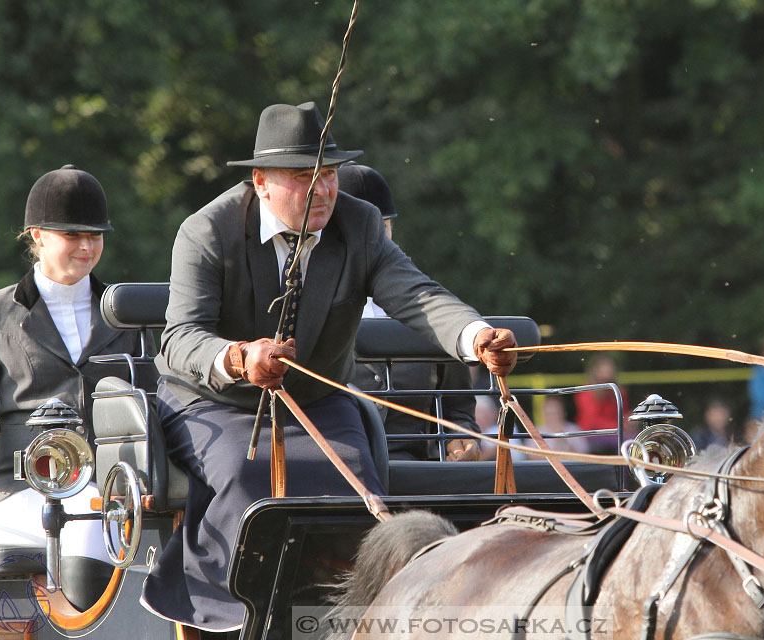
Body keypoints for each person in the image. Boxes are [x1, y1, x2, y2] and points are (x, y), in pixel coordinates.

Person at [141, 102, 518, 632]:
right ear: (261, 182)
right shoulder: (206, 231)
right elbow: (180, 339)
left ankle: (344, 620)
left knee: (355, 489)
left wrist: (476, 337)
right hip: (214, 401)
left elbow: (417, 294)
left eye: (331, 175)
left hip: (318, 402)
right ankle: (235, 619)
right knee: (244, 474)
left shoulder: (359, 225)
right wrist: (239, 356)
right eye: (303, 178)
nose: (322, 190)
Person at [0, 165, 151, 608]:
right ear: (38, 235)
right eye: (73, 236)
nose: (88, 247)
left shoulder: (128, 314)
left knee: (101, 513)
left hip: (118, 483)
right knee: (90, 518)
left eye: (96, 235)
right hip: (21, 489)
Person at [340, 162, 480, 462]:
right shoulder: (302, 301)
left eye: (383, 228)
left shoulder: (429, 306)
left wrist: (460, 439)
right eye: (362, 230)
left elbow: (457, 408)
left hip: (414, 468)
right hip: (333, 467)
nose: (375, 241)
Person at [574, 354, 630, 453]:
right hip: (592, 434)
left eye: (609, 367)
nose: (608, 370)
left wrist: (629, 422)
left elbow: (623, 415)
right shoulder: (587, 391)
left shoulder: (619, 391)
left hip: (615, 433)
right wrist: (619, 425)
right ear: (596, 370)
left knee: (637, 440)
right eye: (604, 367)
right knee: (628, 443)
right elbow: (592, 421)